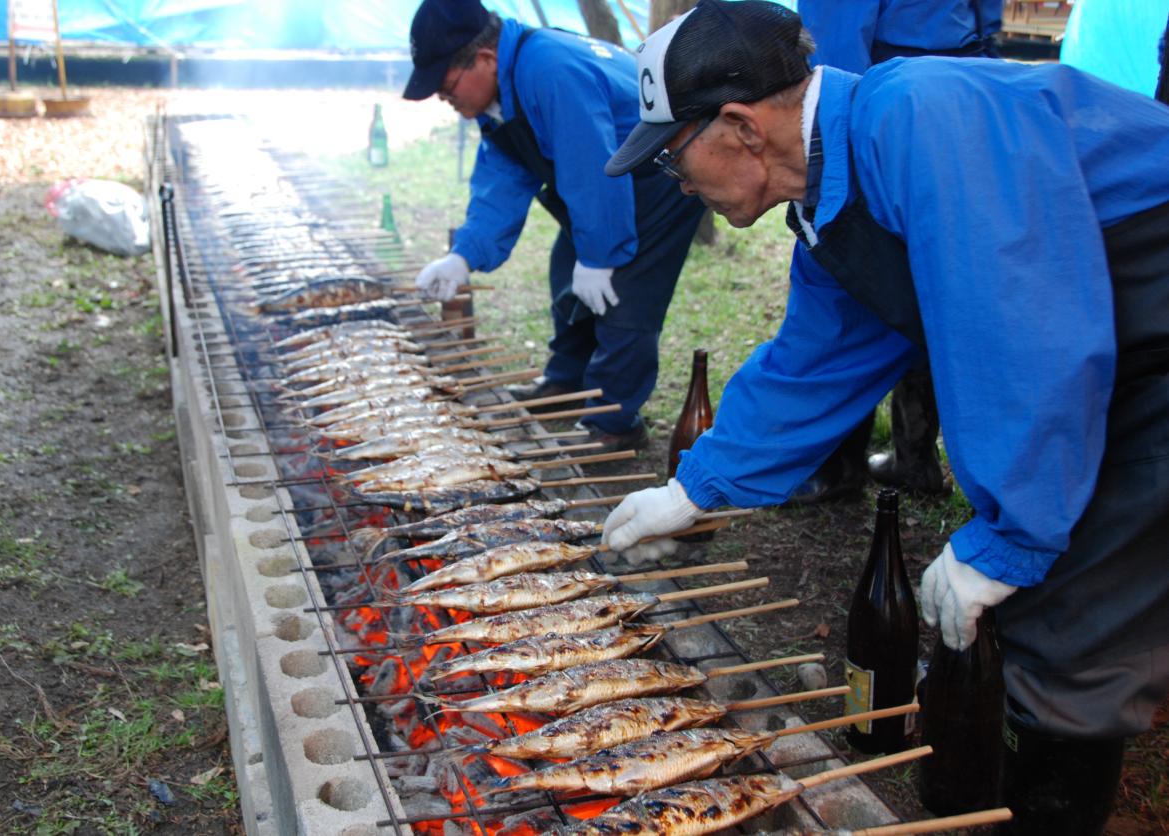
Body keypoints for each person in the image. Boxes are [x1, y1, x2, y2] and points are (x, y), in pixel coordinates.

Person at [599, 2, 1169, 833]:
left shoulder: (924, 119)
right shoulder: (836, 191)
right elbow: (816, 358)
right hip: (1119, 340)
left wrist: (1009, 536)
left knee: (1069, 613)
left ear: (740, 127)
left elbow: (1021, 332)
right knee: (1047, 589)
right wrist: (698, 488)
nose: (675, 183)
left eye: (672, 158)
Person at [402, 0, 705, 450]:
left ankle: (613, 420)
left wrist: (601, 256)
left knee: (626, 294)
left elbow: (592, 165)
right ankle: (566, 381)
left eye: (447, 89)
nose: (448, 102)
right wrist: (462, 256)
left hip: (661, 174)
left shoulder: (550, 71)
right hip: (604, 181)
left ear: (484, 59)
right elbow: (502, 180)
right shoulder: (502, 89)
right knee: (568, 270)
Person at [790, 0, 1004, 503]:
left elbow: (832, 53)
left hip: (887, 104)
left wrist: (836, 149)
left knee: (858, 283)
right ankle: (915, 457)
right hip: (961, 91)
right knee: (935, 278)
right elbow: (986, 20)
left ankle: (839, 466)